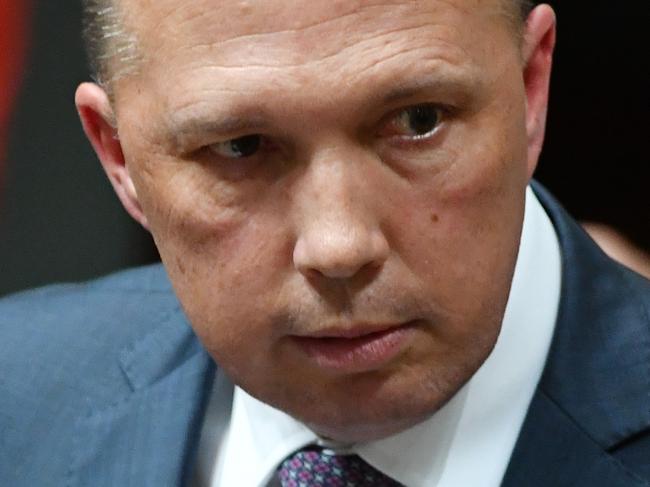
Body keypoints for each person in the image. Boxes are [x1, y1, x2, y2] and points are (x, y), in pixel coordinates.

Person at [1, 0, 648, 486]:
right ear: (120, 158)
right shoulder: (17, 393)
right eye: (240, 147)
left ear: (531, 90)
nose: (339, 246)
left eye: (420, 122)